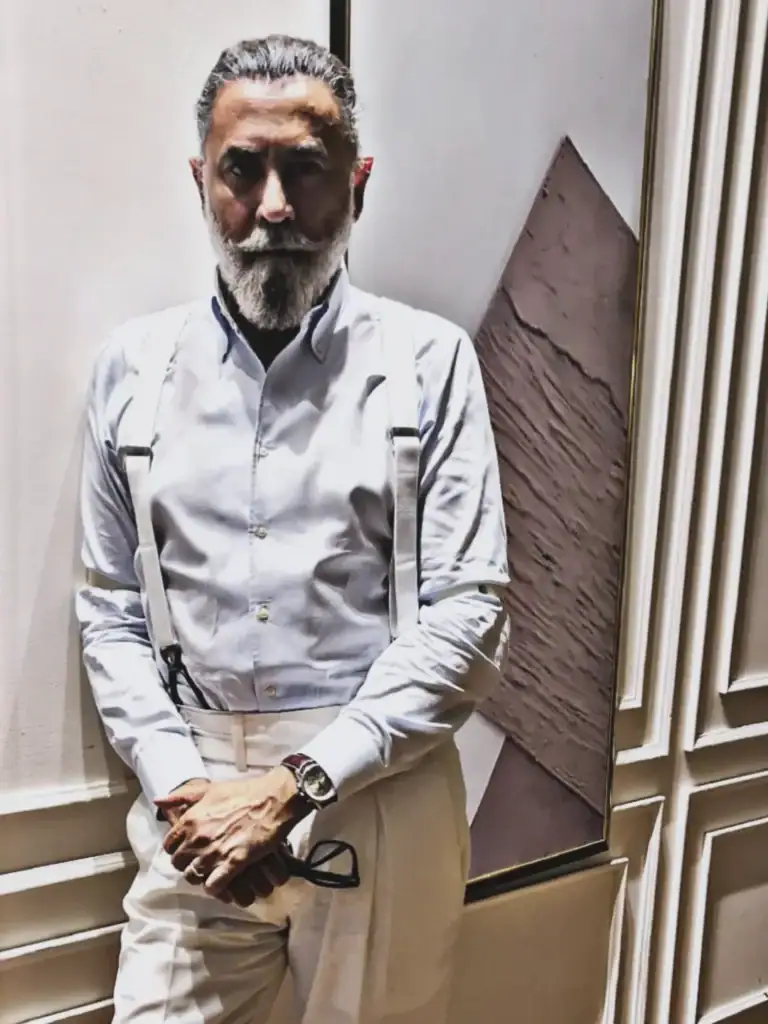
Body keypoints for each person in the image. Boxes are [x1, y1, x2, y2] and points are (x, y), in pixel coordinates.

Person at [77, 33, 510, 1024]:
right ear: (201, 180)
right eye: (243, 169)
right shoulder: (132, 369)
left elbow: (469, 610)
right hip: (194, 803)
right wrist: (186, 790)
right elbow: (111, 613)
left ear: (357, 181)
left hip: (377, 788)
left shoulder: (429, 361)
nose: (273, 206)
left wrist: (295, 783)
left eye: (305, 169)